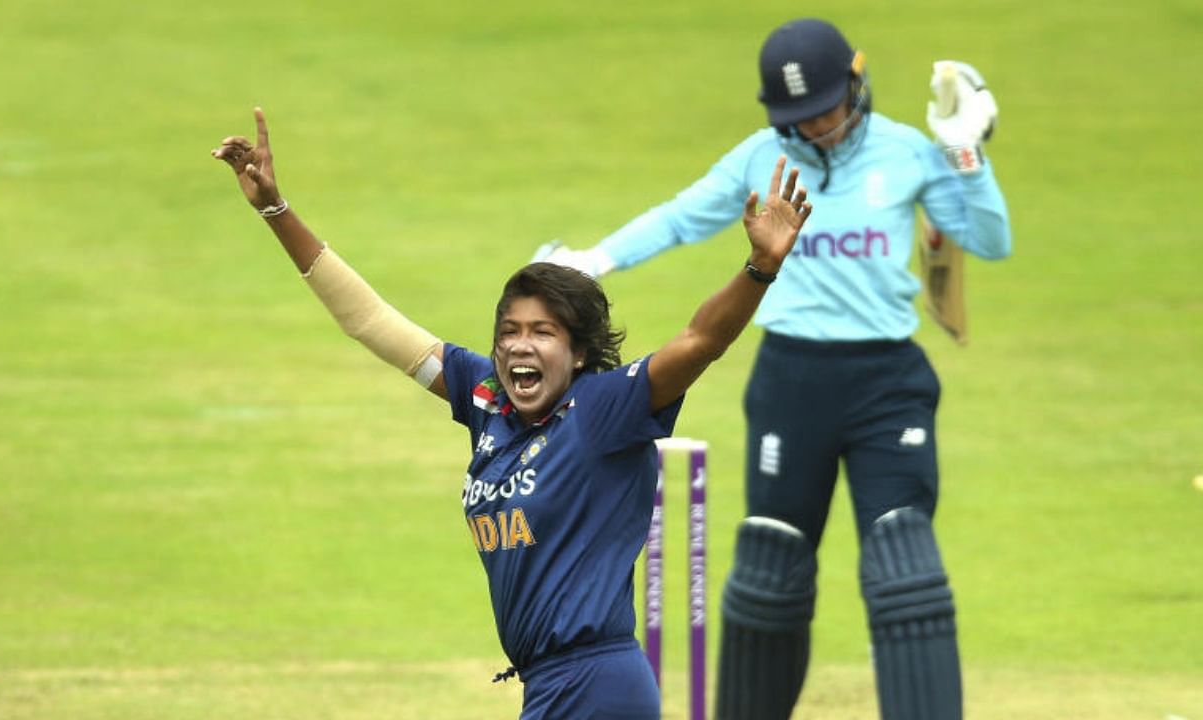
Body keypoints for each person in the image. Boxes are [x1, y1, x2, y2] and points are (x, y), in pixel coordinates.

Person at [211, 107, 811, 720]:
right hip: (550, 685)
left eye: (543, 332)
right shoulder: (486, 400)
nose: (521, 345)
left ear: (578, 353)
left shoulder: (605, 408)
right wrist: (275, 211)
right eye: (510, 331)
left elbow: (700, 341)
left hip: (597, 683)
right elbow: (367, 320)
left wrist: (759, 268)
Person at [534, 17, 1011, 720]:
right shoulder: (763, 157)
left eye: (824, 109)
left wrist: (966, 153)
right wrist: (593, 261)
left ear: (856, 80)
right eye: (798, 117)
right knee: (773, 570)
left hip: (888, 382)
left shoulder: (909, 152)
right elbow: (680, 217)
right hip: (791, 383)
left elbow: (988, 240)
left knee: (904, 565)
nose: (815, 128)